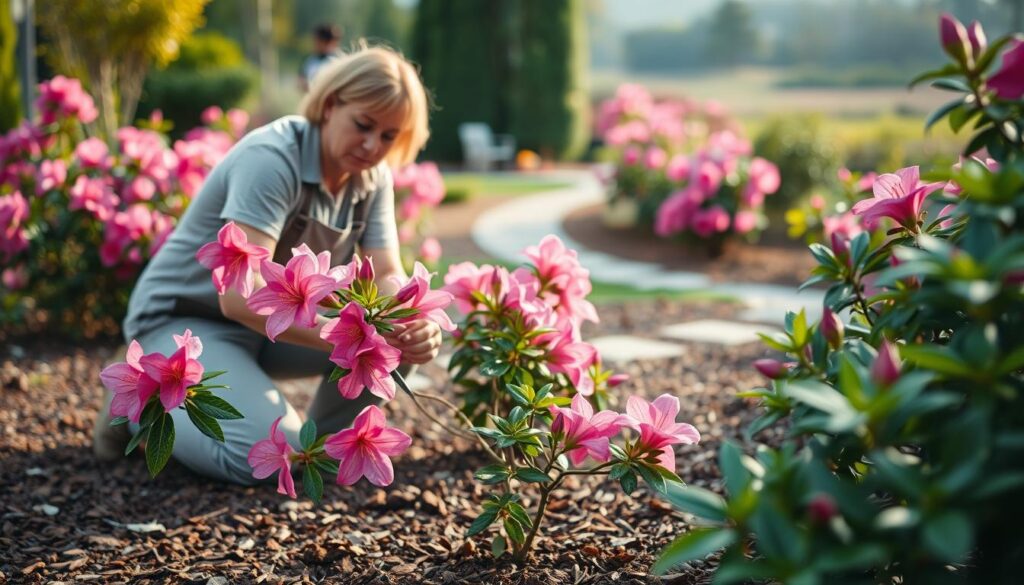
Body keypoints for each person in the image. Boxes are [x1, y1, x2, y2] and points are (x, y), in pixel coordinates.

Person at [93, 45, 441, 486]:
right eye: (363, 125)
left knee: (396, 342)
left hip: (270, 327)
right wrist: (349, 338)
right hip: (187, 323)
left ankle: (325, 454)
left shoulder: (372, 177)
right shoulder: (273, 159)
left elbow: (388, 272)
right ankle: (144, 395)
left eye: (389, 136)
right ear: (331, 104)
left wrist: (411, 324)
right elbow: (239, 298)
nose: (373, 145)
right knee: (261, 458)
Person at [299, 24, 343, 93]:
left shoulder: (339, 61)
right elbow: (301, 79)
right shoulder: (311, 60)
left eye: (316, 41)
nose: (314, 44)